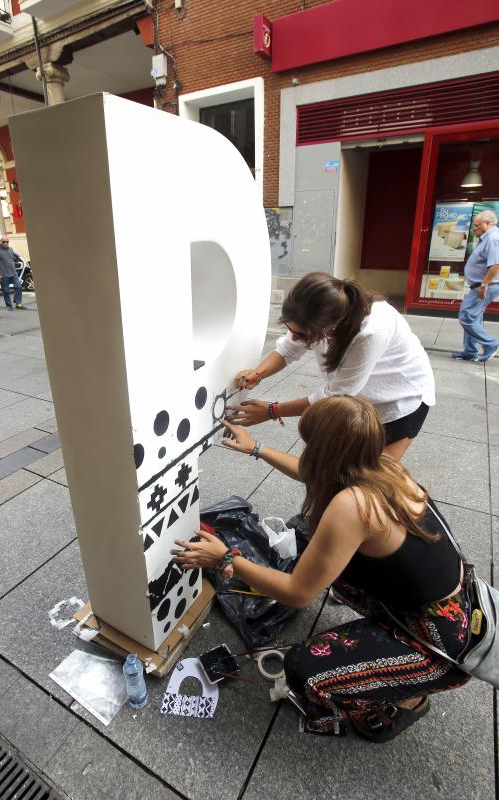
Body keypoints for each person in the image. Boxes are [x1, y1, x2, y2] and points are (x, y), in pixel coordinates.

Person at [173, 396, 471, 741]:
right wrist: (256, 448)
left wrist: (226, 558)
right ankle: (391, 657)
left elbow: (297, 594)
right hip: (448, 607)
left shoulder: (351, 506)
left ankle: (409, 697)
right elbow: (319, 472)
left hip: (441, 646)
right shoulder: (385, 466)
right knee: (330, 569)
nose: (307, 453)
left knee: (303, 669)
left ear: (324, 453)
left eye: (311, 446)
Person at [232, 273, 435, 460]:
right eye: (289, 329)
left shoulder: (372, 330)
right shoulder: (319, 312)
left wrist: (272, 411)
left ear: (332, 325)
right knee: (343, 472)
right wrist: (257, 373)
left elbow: (336, 395)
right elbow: (288, 349)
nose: (294, 337)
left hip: (400, 402)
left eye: (302, 335)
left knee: (373, 481)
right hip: (359, 403)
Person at [452, 209, 499, 362]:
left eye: (477, 225)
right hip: (480, 285)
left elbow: (496, 265)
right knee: (474, 317)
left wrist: (484, 285)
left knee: (466, 317)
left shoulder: (493, 238)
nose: (474, 228)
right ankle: (470, 351)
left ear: (488, 223)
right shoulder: (487, 238)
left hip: (485, 285)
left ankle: (491, 344)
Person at [0, 235, 26, 310]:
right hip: (3, 274)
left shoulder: (10, 249)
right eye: (4, 242)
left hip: (13, 272)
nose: (5, 243)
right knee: (5, 290)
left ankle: (18, 303)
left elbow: (12, 259)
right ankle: (9, 305)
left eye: (7, 242)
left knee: (18, 287)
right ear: (0, 242)